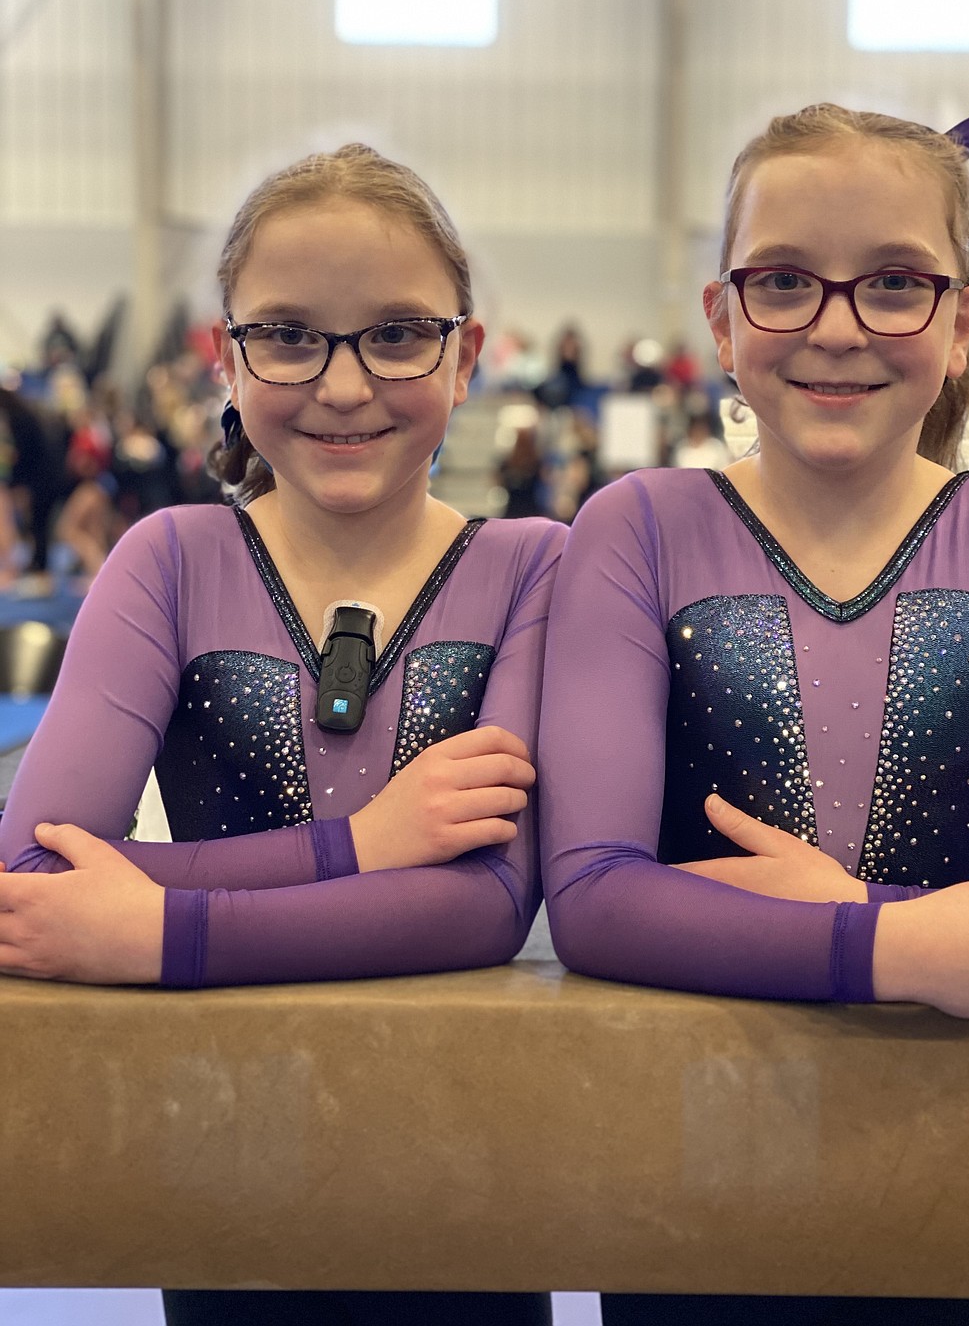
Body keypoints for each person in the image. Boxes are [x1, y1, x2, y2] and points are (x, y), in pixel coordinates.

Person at [538, 105, 969, 1326]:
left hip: (937, 1166)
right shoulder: (641, 529)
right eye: (784, 282)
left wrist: (881, 922)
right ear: (722, 320)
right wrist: (902, 950)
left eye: (892, 283)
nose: (835, 327)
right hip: (687, 1166)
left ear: (960, 316)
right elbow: (597, 896)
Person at [0, 144, 563, 1326]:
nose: (345, 385)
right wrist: (361, 846)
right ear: (228, 356)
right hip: (223, 1158)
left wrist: (157, 923)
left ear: (465, 355)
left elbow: (481, 904)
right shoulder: (171, 561)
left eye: (398, 334)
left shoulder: (530, 569)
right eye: (292, 335)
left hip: (461, 1165)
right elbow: (34, 880)